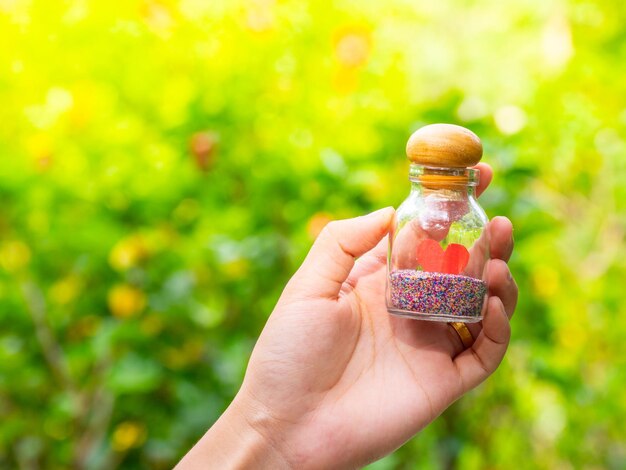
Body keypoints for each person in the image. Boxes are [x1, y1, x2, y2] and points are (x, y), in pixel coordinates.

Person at [176, 163, 517, 469]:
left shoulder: (472, 217)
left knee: (492, 275)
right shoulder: (410, 213)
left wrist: (273, 439)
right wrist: (273, 432)